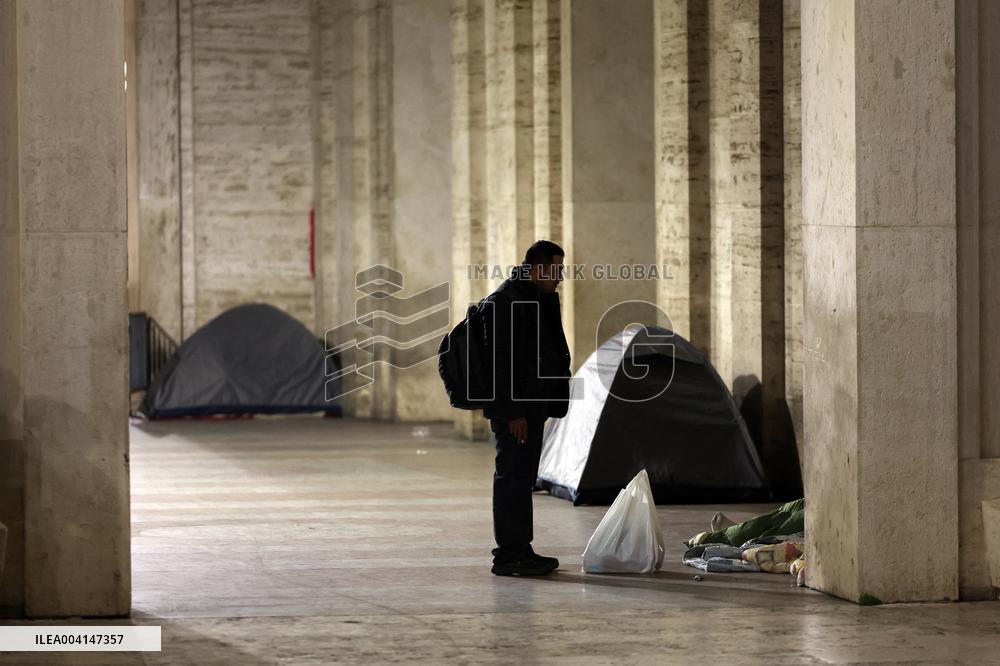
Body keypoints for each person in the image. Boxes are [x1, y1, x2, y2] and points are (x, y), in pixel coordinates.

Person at [479, 240, 571, 576]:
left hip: (532, 407)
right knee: (512, 478)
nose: (560, 277)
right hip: (515, 413)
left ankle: (521, 548)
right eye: (556, 270)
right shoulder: (504, 302)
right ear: (537, 268)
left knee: (522, 480)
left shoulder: (536, 297)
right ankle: (507, 555)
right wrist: (512, 413)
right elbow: (498, 365)